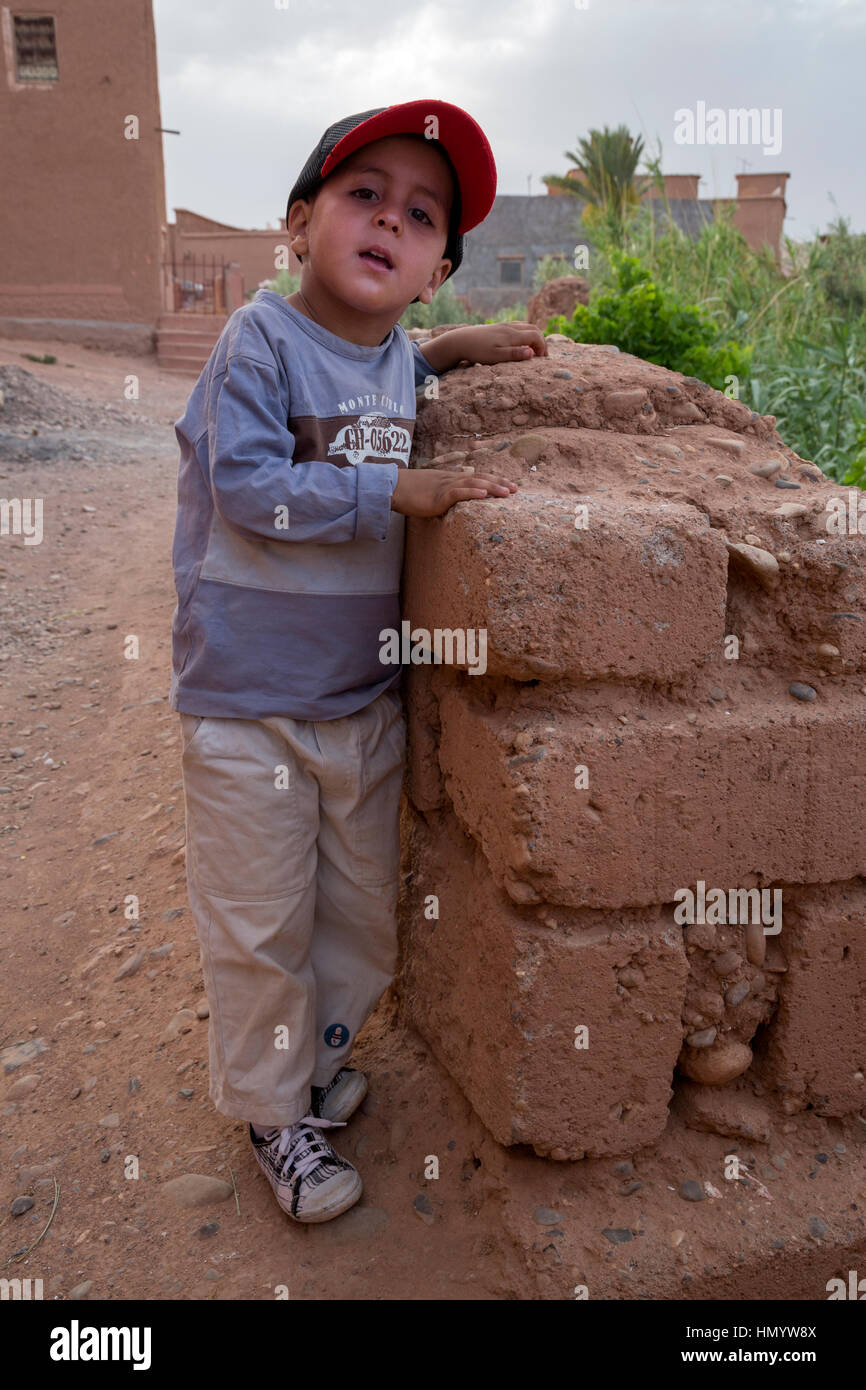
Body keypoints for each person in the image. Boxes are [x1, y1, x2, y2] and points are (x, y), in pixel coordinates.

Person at [168, 99, 546, 1224]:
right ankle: (272, 1112)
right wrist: (396, 490)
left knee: (355, 917)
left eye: (421, 215)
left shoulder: (393, 362)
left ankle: (308, 1068)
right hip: (249, 707)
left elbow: (373, 384)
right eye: (363, 194)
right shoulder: (254, 341)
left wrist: (449, 354)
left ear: (432, 271)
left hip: (358, 702)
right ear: (297, 224)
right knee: (260, 920)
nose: (390, 219)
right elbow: (247, 483)